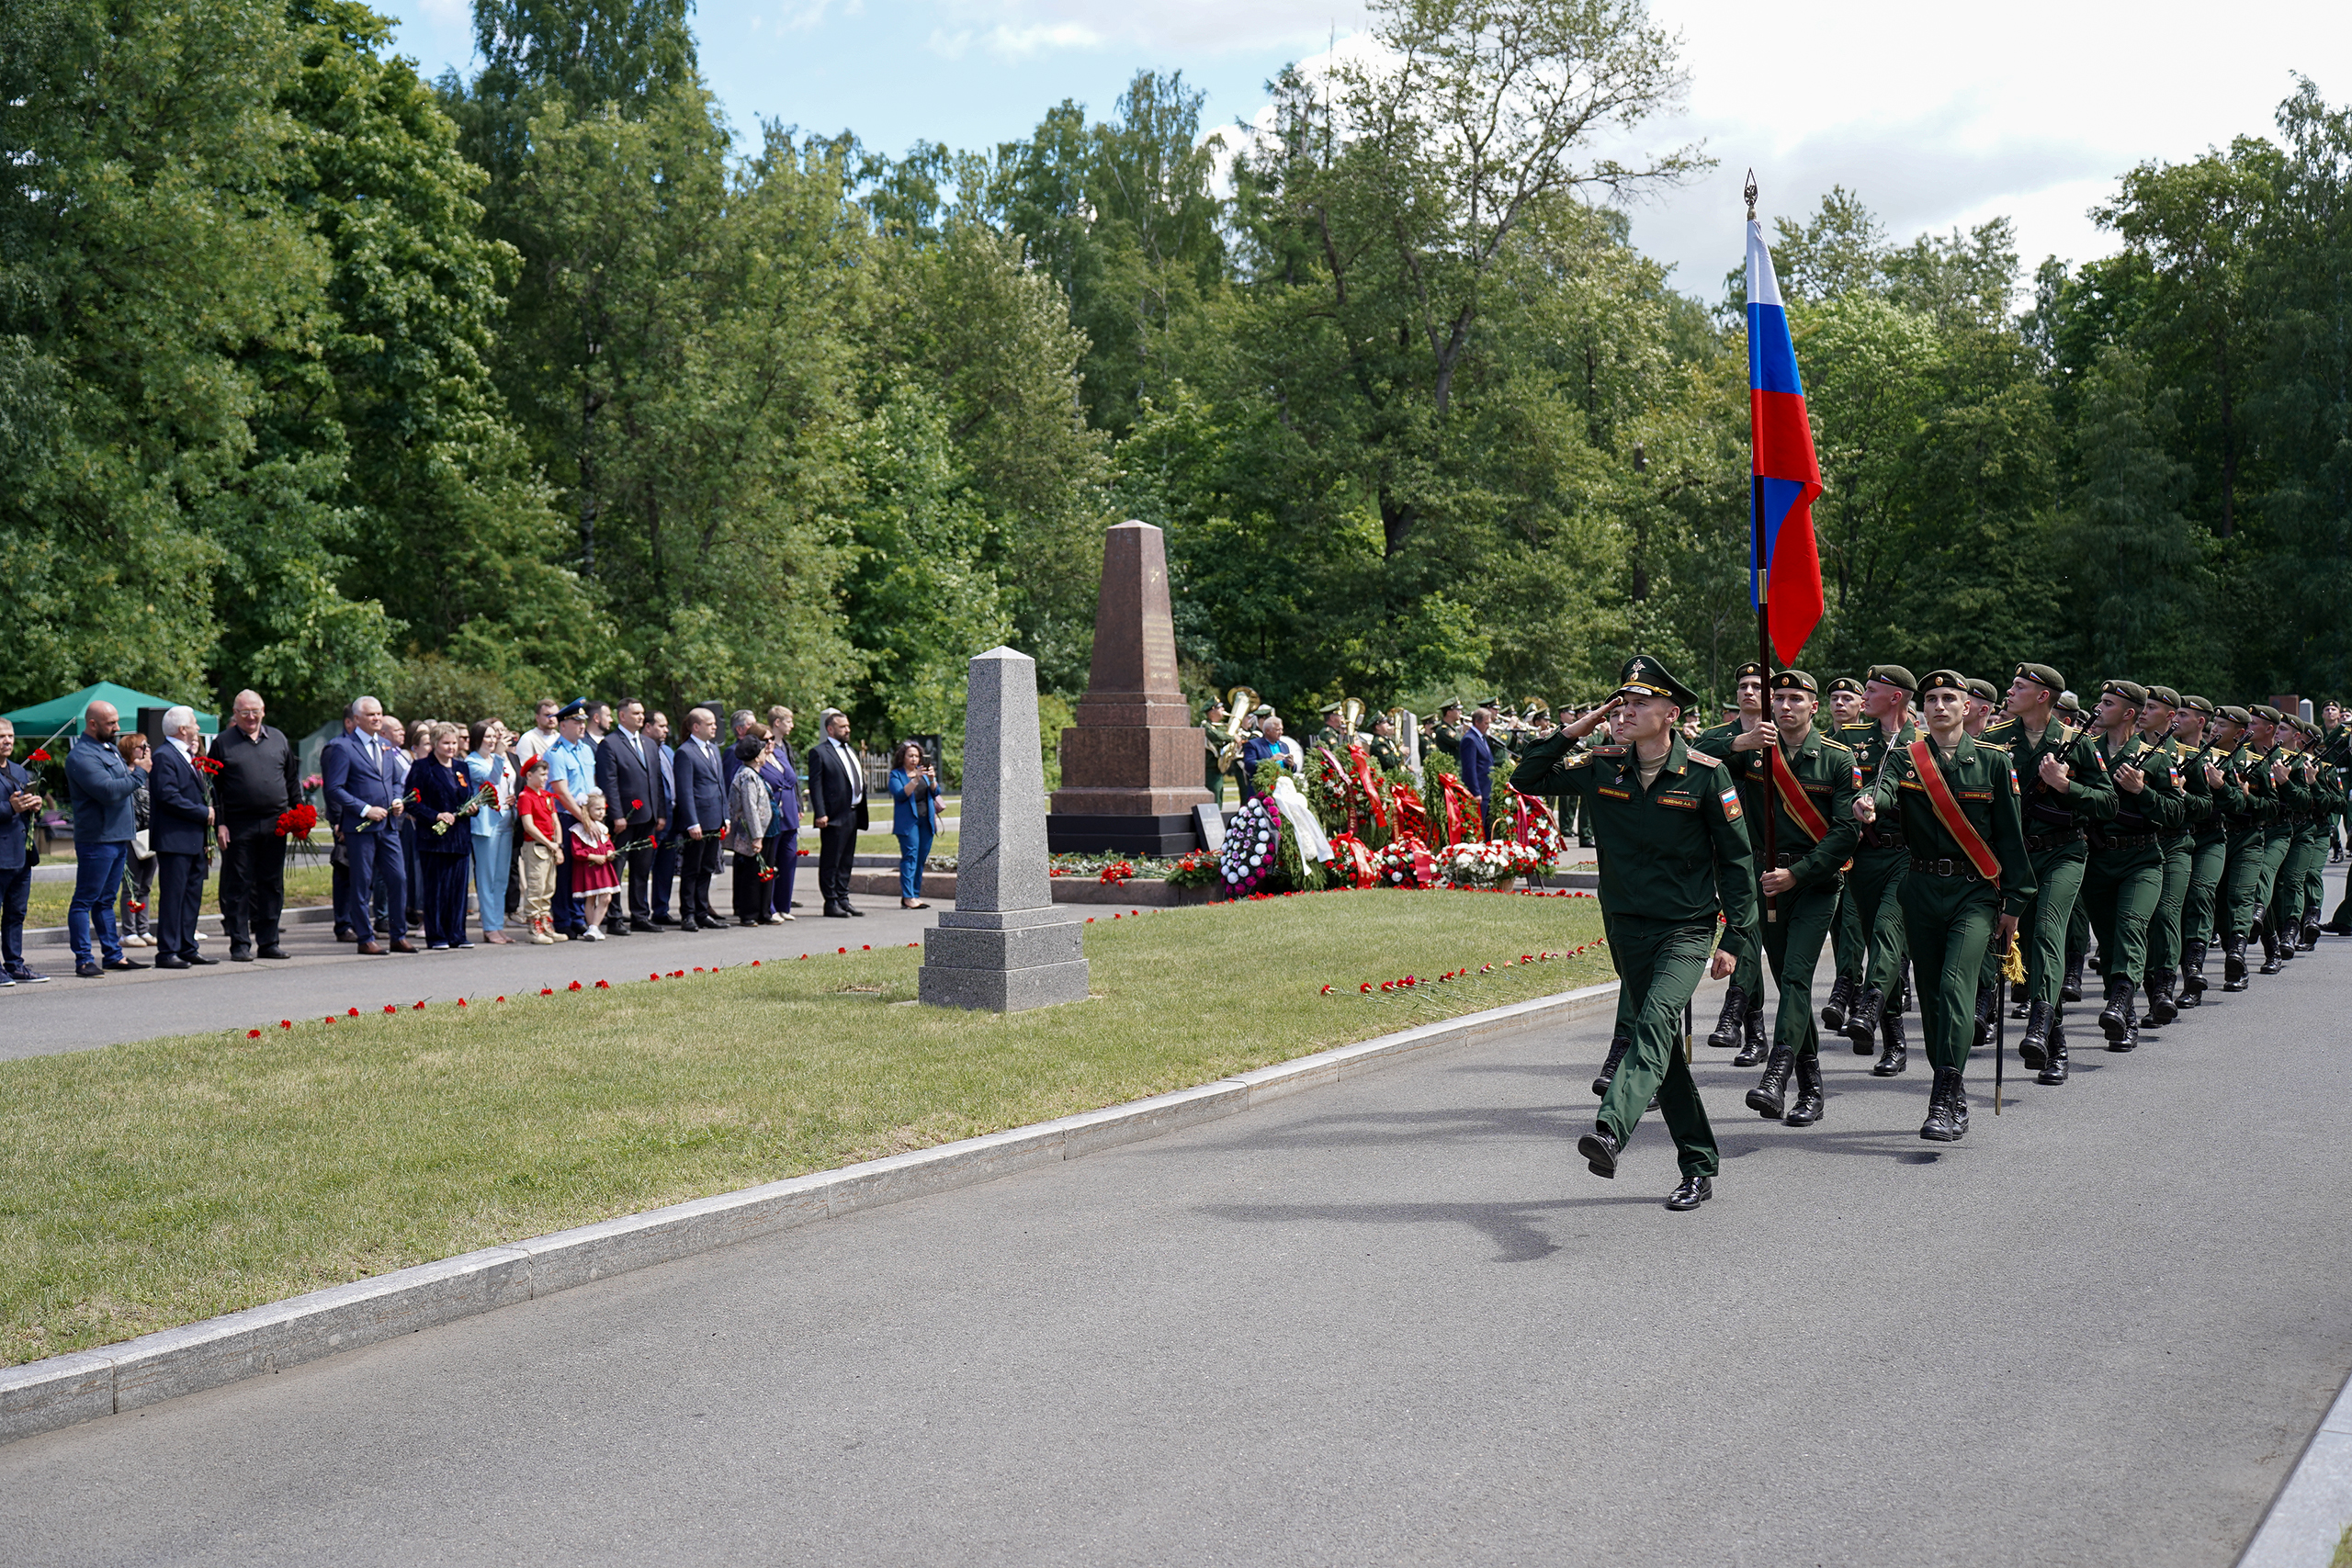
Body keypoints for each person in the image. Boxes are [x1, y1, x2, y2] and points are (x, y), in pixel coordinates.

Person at [1510, 656, 1759, 1212]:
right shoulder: (1604, 767)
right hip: (1625, 927)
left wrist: (1738, 940)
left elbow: (1738, 864)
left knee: (1651, 1025)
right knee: (1663, 1051)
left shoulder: (1704, 773)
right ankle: (1698, 1163)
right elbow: (1525, 776)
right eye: (1622, 701)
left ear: (1672, 713)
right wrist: (1584, 722)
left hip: (1687, 928)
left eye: (1641, 702)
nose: (1628, 710)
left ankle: (1610, 1129)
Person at [1851, 670, 2034, 1141]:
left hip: (1974, 893)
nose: (1938, 706)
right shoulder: (1905, 758)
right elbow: (1882, 791)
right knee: (1932, 998)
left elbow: (2011, 841)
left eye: (1949, 698)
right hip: (1921, 888)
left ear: (1967, 707)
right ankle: (1951, 1093)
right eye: (1931, 698)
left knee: (1955, 984)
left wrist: (2014, 904)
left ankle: (1942, 1092)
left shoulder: (1994, 763)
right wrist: (1868, 803)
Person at [1981, 663, 2114, 1081]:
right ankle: (2054, 1043)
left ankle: (2038, 1021)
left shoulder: (2077, 743)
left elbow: (2106, 803)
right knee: (2030, 938)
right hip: (2017, 859)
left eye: (2020, 686)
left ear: (2043, 697)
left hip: (2063, 853)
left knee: (2048, 932)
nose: (2010, 690)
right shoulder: (1995, 742)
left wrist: (2064, 786)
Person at [1740, 671, 1860, 1123]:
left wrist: (1799, 874)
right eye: (1780, 698)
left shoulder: (1836, 758)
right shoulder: (1754, 751)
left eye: (1796, 699)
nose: (1785, 706)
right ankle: (1811, 1087)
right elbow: (1696, 761)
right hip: (1768, 882)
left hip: (1814, 883)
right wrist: (1740, 743)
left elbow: (1847, 832)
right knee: (1790, 985)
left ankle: (1777, 1073)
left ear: (1814, 707)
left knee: (1794, 978)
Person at [2075, 680, 2183, 1050]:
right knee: (2107, 938)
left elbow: (2175, 813)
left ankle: (2120, 1002)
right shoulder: (2084, 753)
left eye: (2107, 703)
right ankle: (2127, 1015)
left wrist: (2142, 791)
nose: (2098, 707)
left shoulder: (2155, 757)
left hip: (2142, 859)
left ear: (2129, 713)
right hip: (2098, 860)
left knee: (2131, 927)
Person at [1831, 666, 1920, 1071]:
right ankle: (1894, 1041)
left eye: (1871, 690)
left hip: (1907, 855)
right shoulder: (1850, 740)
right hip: (1863, 856)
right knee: (1873, 938)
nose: (1862, 696)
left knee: (1888, 931)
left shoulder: (1923, 742)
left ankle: (1867, 1005)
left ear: (1896, 696)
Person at [1698, 660, 1771, 1062]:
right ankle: (1756, 1032)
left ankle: (1735, 1009)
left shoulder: (1782, 734)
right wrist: (1739, 744)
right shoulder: (1718, 736)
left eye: (1757, 686)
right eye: (1743, 685)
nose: (1748, 692)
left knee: (1748, 931)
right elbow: (1691, 756)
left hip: (1761, 853)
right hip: (1720, 850)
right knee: (1748, 932)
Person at [321, 694, 413, 955]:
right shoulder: (342, 747)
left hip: (388, 826)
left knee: (398, 878)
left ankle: (398, 934)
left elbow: (396, 779)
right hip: (360, 827)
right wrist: (364, 809)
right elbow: (335, 788)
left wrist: (396, 799)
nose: (376, 718)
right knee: (362, 883)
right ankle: (365, 937)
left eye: (379, 713)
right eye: (371, 714)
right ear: (357, 719)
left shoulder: (385, 745)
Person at [209, 689, 298, 960]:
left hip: (276, 823)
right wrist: (220, 824)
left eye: (255, 711)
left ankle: (269, 942)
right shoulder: (223, 743)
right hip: (238, 825)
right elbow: (213, 789)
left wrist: (299, 814)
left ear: (263, 711)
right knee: (238, 885)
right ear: (235, 714)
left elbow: (292, 780)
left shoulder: (278, 739)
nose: (251, 716)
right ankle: (239, 944)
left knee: (272, 884)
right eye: (244, 712)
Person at [65, 700, 143, 977]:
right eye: (111, 723)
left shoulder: (108, 748)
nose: (117, 728)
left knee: (106, 900)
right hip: (97, 840)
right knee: (85, 900)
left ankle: (113, 955)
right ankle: (84, 959)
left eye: (116, 721)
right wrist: (140, 773)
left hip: (118, 837)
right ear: (92, 724)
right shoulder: (81, 756)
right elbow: (108, 791)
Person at [146, 706, 216, 970]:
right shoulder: (165, 756)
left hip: (192, 839)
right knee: (174, 896)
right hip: (175, 839)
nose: (197, 728)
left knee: (191, 896)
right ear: (183, 729)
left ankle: (187, 946)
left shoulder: (188, 755)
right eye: (194, 724)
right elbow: (167, 795)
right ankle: (167, 950)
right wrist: (202, 812)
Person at [594, 697, 665, 934]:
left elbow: (656, 780)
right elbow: (609, 782)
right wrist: (615, 814)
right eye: (635, 713)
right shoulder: (610, 744)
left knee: (642, 869)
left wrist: (660, 813)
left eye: (642, 713)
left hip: (648, 816)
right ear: (622, 716)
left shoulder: (649, 743)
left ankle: (640, 915)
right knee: (617, 868)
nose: (640, 717)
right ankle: (614, 918)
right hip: (624, 818)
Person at [407, 722, 477, 950]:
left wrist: (472, 807)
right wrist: (436, 815)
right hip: (434, 839)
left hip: (459, 837)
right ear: (435, 743)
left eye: (454, 743)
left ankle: (457, 934)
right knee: (436, 888)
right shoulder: (422, 767)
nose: (451, 747)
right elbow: (412, 802)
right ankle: (437, 935)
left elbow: (467, 795)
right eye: (446, 743)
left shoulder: (461, 767)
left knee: (458, 889)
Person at [541, 700, 597, 939]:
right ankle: (563, 918)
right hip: (566, 817)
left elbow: (592, 786)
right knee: (564, 872)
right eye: (576, 722)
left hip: (586, 815)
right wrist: (584, 818)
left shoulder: (586, 749)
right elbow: (562, 793)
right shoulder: (555, 753)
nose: (581, 726)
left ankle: (578, 917)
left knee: (581, 870)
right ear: (563, 726)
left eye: (583, 722)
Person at [672, 706, 729, 931]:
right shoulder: (685, 752)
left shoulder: (714, 750)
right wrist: (692, 822)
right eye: (710, 723)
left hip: (715, 818)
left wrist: (725, 815)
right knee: (692, 869)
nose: (715, 727)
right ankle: (688, 914)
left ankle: (702, 911)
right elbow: (685, 791)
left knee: (707, 867)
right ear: (696, 726)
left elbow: (720, 785)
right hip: (698, 821)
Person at [808, 707, 868, 918]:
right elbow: (816, 786)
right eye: (843, 727)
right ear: (830, 729)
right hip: (833, 816)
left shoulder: (850, 751)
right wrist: (820, 813)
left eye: (848, 726)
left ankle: (843, 898)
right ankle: (831, 901)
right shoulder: (819, 752)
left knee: (846, 860)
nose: (848, 730)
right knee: (831, 861)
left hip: (853, 813)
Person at [0, 717, 47, 986]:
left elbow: (26, 812)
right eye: (1, 736)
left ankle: (15, 964)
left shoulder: (19, 771)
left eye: (10, 736)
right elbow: (8, 808)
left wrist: (34, 806)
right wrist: (10, 809)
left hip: (21, 855)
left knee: (17, 912)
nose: (7, 741)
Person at [465, 718, 517, 943]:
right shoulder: (472, 761)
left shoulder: (498, 758)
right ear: (477, 739)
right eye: (487, 736)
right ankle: (489, 926)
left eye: (494, 736)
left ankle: (498, 924)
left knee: (501, 878)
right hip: (486, 825)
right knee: (486, 878)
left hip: (505, 820)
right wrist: (499, 753)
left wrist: (512, 797)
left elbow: (507, 782)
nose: (492, 740)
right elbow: (491, 779)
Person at [725, 730, 776, 924]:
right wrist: (757, 836)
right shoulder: (747, 776)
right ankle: (749, 913)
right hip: (751, 834)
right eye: (763, 751)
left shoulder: (755, 774)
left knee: (765, 871)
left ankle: (764, 911)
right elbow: (750, 807)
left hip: (763, 831)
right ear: (756, 757)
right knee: (752, 875)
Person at [514, 753, 562, 944]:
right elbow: (529, 825)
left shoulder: (547, 797)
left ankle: (545, 923)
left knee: (548, 887)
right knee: (535, 887)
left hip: (550, 847)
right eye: (541, 774)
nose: (545, 778)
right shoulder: (526, 796)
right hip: (536, 847)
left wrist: (557, 844)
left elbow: (555, 821)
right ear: (529, 775)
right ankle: (534, 928)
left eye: (546, 774)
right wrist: (549, 843)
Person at [889, 740, 942, 908]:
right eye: (910, 756)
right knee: (910, 856)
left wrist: (932, 779)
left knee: (920, 858)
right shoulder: (896, 775)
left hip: (926, 821)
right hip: (908, 823)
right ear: (902, 757)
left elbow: (936, 792)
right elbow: (900, 794)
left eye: (917, 756)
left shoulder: (925, 774)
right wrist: (915, 779)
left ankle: (915, 894)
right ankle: (908, 896)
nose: (914, 759)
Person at [117, 731, 156, 949]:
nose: (146, 750)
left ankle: (144, 928)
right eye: (141, 747)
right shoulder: (125, 774)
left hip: (149, 834)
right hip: (130, 836)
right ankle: (129, 931)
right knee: (131, 885)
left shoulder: (152, 774)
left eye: (147, 746)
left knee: (146, 885)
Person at [762, 707, 801, 922]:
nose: (792, 725)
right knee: (771, 860)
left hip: (790, 813)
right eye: (789, 721)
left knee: (788, 858)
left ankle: (784, 904)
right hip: (773, 814)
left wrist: (798, 806)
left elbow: (792, 778)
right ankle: (770, 906)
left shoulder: (783, 749)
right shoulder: (764, 753)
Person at [646, 710, 683, 924]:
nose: (666, 730)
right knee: (645, 866)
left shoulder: (668, 751)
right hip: (653, 818)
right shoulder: (645, 750)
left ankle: (661, 910)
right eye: (661, 726)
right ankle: (641, 911)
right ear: (648, 727)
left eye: (667, 726)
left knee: (666, 866)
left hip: (673, 816)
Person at [568, 790, 619, 937]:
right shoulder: (578, 830)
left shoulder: (602, 828)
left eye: (603, 809)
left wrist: (610, 853)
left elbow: (608, 844)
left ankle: (593, 927)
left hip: (603, 868)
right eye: (598, 809)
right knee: (590, 898)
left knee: (606, 897)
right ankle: (592, 928)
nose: (601, 812)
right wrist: (592, 857)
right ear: (587, 809)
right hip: (590, 869)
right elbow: (576, 851)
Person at [1458, 707, 1497, 836]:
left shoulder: (1481, 738)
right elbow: (1470, 768)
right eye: (1486, 723)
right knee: (1479, 828)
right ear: (1477, 722)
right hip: (1479, 791)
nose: (1488, 726)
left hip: (1487, 790)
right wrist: (1476, 792)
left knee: (1487, 827)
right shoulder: (1470, 739)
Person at [1238, 715, 1294, 802]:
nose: (1281, 732)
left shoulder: (1284, 746)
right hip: (1262, 790)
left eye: (1281, 729)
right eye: (1277, 730)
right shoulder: (1253, 744)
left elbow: (1291, 769)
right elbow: (1249, 765)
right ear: (1267, 731)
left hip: (1283, 790)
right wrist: (1270, 760)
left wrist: (1291, 765)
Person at [1201, 702, 1229, 806]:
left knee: (1219, 796)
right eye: (1220, 708)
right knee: (1214, 798)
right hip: (1210, 768)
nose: (1223, 709)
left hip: (1217, 768)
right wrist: (1233, 737)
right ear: (1212, 711)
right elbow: (1218, 736)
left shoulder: (1217, 727)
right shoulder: (1206, 725)